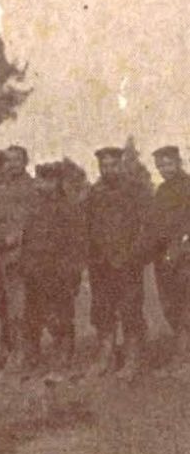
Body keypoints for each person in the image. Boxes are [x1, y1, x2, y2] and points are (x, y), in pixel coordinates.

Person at [86, 145, 151, 379]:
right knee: (102, 309)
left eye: (113, 164)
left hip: (127, 261)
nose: (109, 169)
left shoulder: (136, 190)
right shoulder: (94, 192)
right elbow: (87, 226)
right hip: (100, 263)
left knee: (130, 309)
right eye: (104, 166)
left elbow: (147, 227)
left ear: (121, 164)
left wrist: (134, 255)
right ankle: (106, 355)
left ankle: (134, 358)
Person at [21, 162, 87, 372]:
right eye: (38, 180)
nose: (39, 185)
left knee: (61, 317)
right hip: (34, 271)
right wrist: (26, 267)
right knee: (33, 318)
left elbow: (77, 243)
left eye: (44, 181)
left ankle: (64, 357)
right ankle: (34, 360)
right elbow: (28, 239)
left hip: (59, 272)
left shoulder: (68, 207)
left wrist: (72, 274)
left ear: (55, 182)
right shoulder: (33, 207)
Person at [0, 145, 38, 371]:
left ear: (25, 162)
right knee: (2, 306)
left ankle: (22, 353)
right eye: (8, 160)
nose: (12, 164)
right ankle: (7, 348)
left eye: (17, 160)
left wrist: (18, 237)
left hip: (21, 256)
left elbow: (34, 221)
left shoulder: (32, 188)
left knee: (20, 308)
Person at [149, 145, 190, 369]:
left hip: (185, 257)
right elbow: (155, 223)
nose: (165, 170)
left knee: (185, 305)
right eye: (160, 166)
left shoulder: (188, 187)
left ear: (178, 162)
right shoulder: (162, 190)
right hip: (163, 257)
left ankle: (182, 355)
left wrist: (182, 247)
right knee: (169, 304)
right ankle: (182, 348)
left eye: (168, 164)